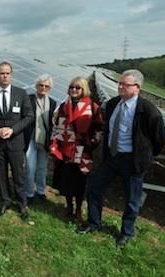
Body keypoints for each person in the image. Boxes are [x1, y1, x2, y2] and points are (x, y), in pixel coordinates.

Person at [77, 69, 165, 248]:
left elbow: (159, 140)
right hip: (112, 158)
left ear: (137, 87)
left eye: (125, 84)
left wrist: (145, 157)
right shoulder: (112, 104)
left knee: (132, 200)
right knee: (94, 188)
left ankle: (126, 232)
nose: (120, 87)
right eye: (120, 83)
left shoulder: (148, 111)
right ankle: (94, 223)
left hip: (132, 162)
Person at [0, 61, 34, 220]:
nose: (5, 76)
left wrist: (13, 130)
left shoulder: (21, 93)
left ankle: (22, 203)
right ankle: (5, 200)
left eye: (7, 73)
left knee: (19, 174)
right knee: (1, 173)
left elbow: (29, 116)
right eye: (2, 73)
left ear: (11, 75)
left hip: (16, 141)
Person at [50, 77, 103, 222]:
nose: (74, 90)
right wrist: (54, 144)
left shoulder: (93, 107)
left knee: (79, 182)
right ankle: (69, 206)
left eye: (77, 87)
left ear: (83, 89)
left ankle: (78, 209)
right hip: (64, 149)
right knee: (65, 180)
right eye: (72, 87)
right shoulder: (63, 106)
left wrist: (93, 143)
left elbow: (99, 128)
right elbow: (56, 125)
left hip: (82, 151)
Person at [24, 74, 56, 204]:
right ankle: (29, 192)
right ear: (36, 86)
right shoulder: (28, 99)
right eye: (41, 85)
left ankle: (41, 191)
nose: (43, 88)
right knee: (30, 167)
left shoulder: (53, 103)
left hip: (44, 140)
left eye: (46, 86)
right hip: (30, 138)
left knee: (42, 167)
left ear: (49, 88)